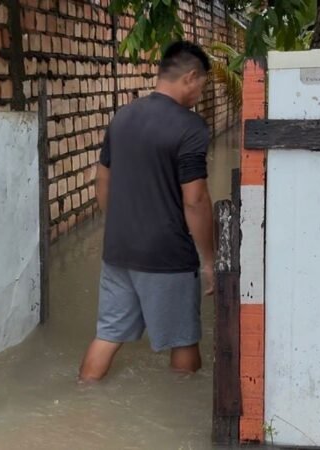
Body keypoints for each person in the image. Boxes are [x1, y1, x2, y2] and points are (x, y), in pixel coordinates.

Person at [79, 41, 215, 382]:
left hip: (118, 250)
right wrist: (210, 260)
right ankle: (177, 407)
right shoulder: (191, 127)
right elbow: (195, 200)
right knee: (182, 339)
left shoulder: (122, 117)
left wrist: (119, 227)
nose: (202, 92)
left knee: (108, 334)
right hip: (167, 254)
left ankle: (82, 396)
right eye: (203, 84)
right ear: (190, 76)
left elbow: (102, 180)